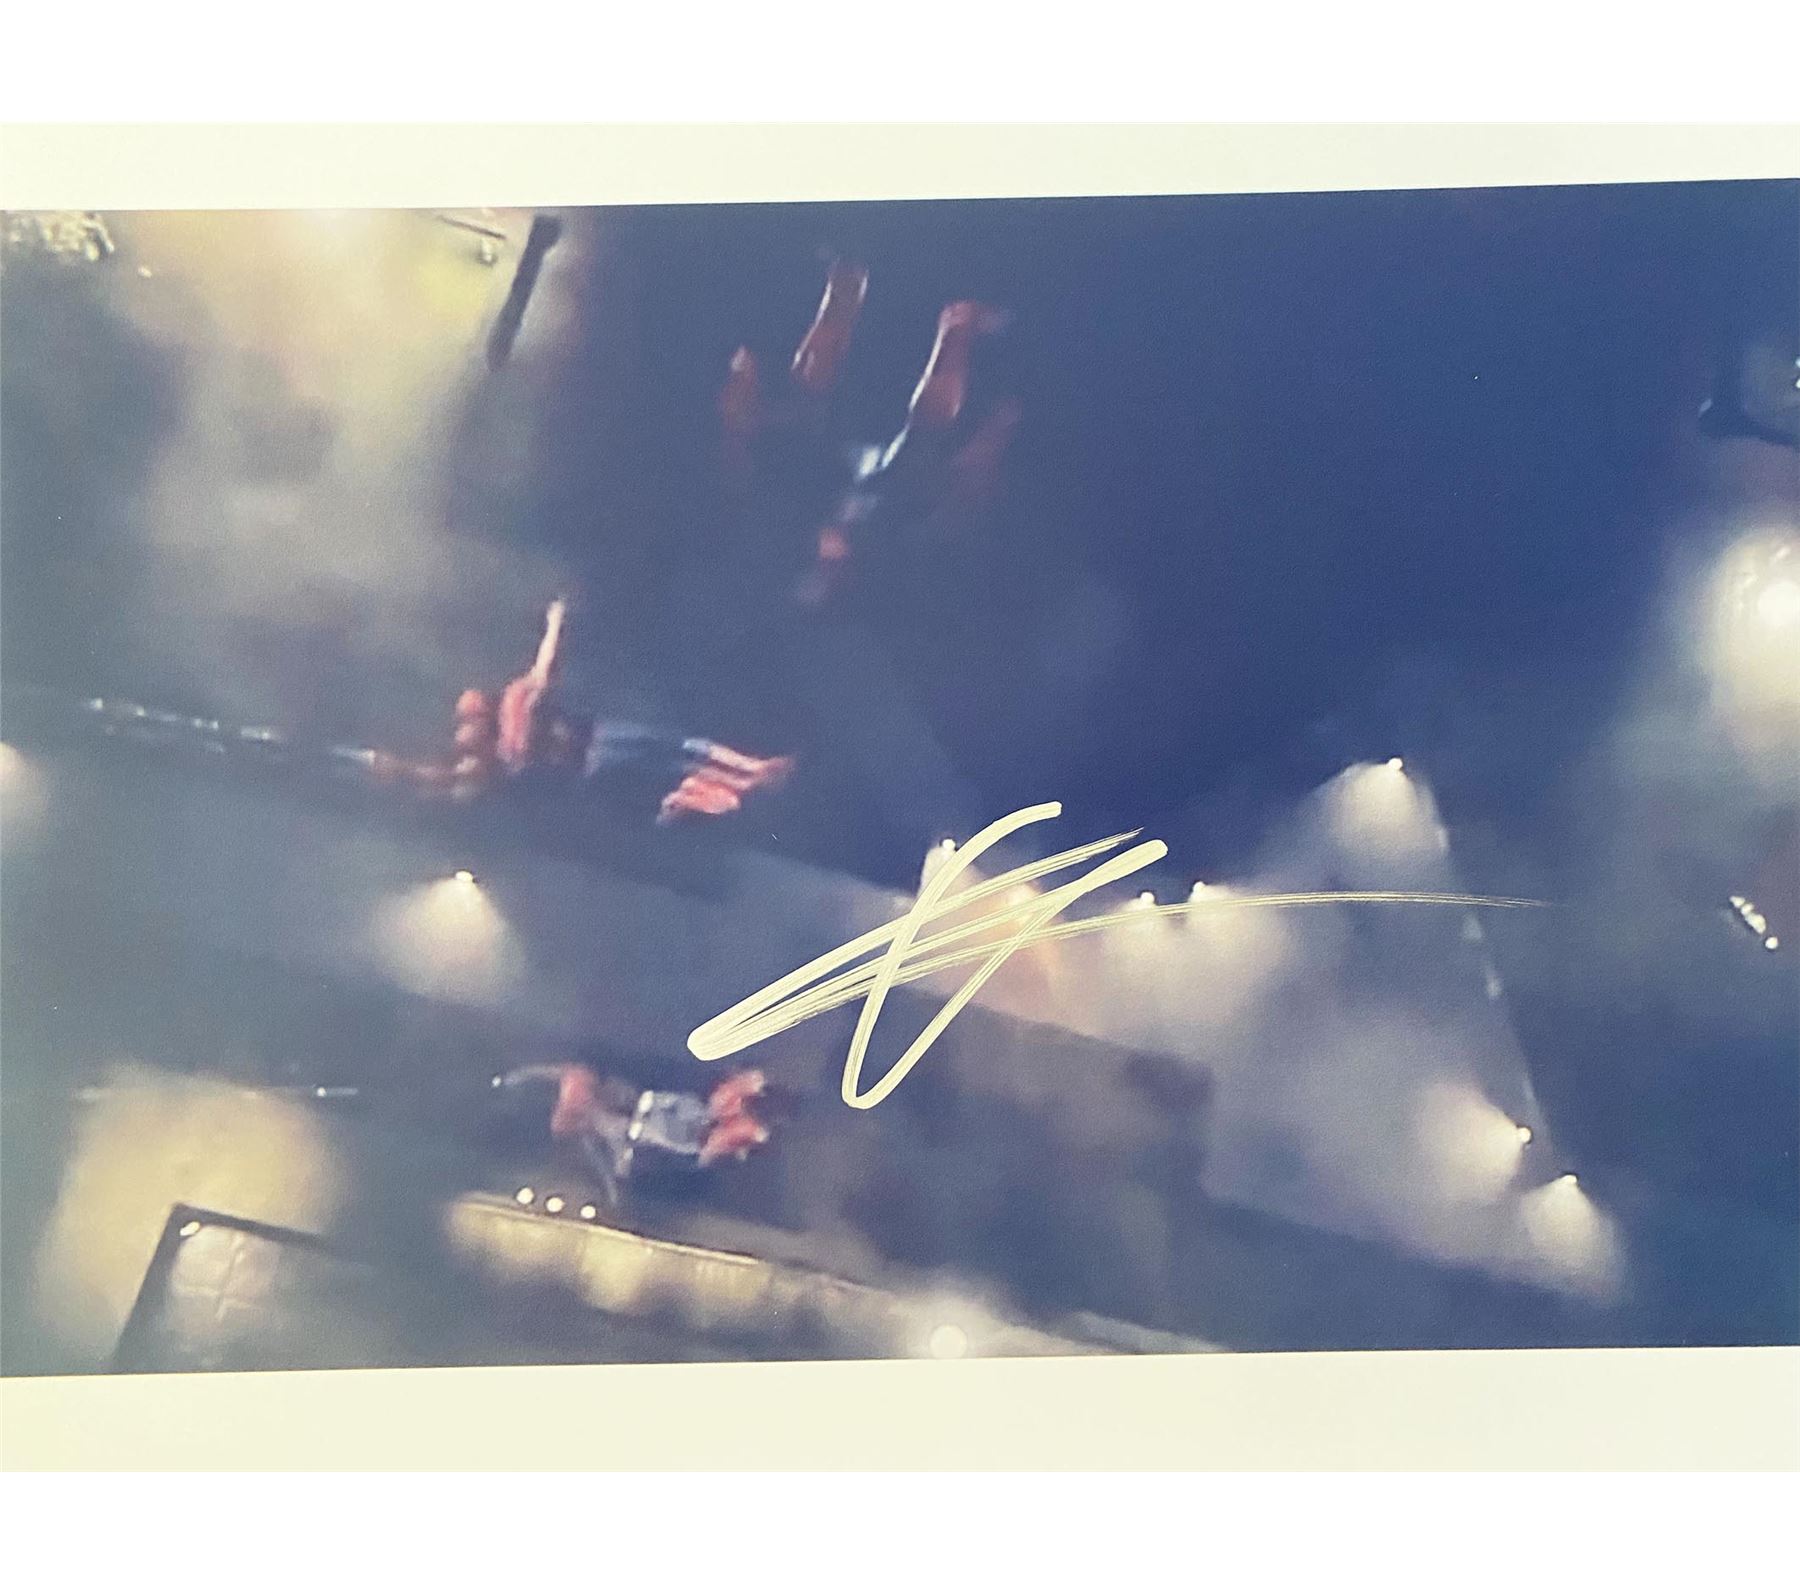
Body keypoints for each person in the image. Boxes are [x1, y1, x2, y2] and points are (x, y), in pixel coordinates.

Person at [370, 598, 794, 822]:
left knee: (677, 758)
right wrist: (556, 623)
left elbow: (450, 779)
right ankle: (747, 774)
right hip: (595, 749)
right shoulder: (512, 720)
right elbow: (544, 672)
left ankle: (745, 778)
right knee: (680, 751)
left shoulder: (503, 747)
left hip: (591, 757)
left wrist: (402, 771)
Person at [490, 1060, 773, 1205]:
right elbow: (594, 1145)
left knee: (692, 1118)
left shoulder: (575, 1080)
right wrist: (614, 1176)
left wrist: (513, 1077)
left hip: (648, 1110)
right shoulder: (570, 1117)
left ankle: (745, 1108)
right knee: (688, 1134)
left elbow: (541, 1072)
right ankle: (742, 1124)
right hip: (641, 1124)